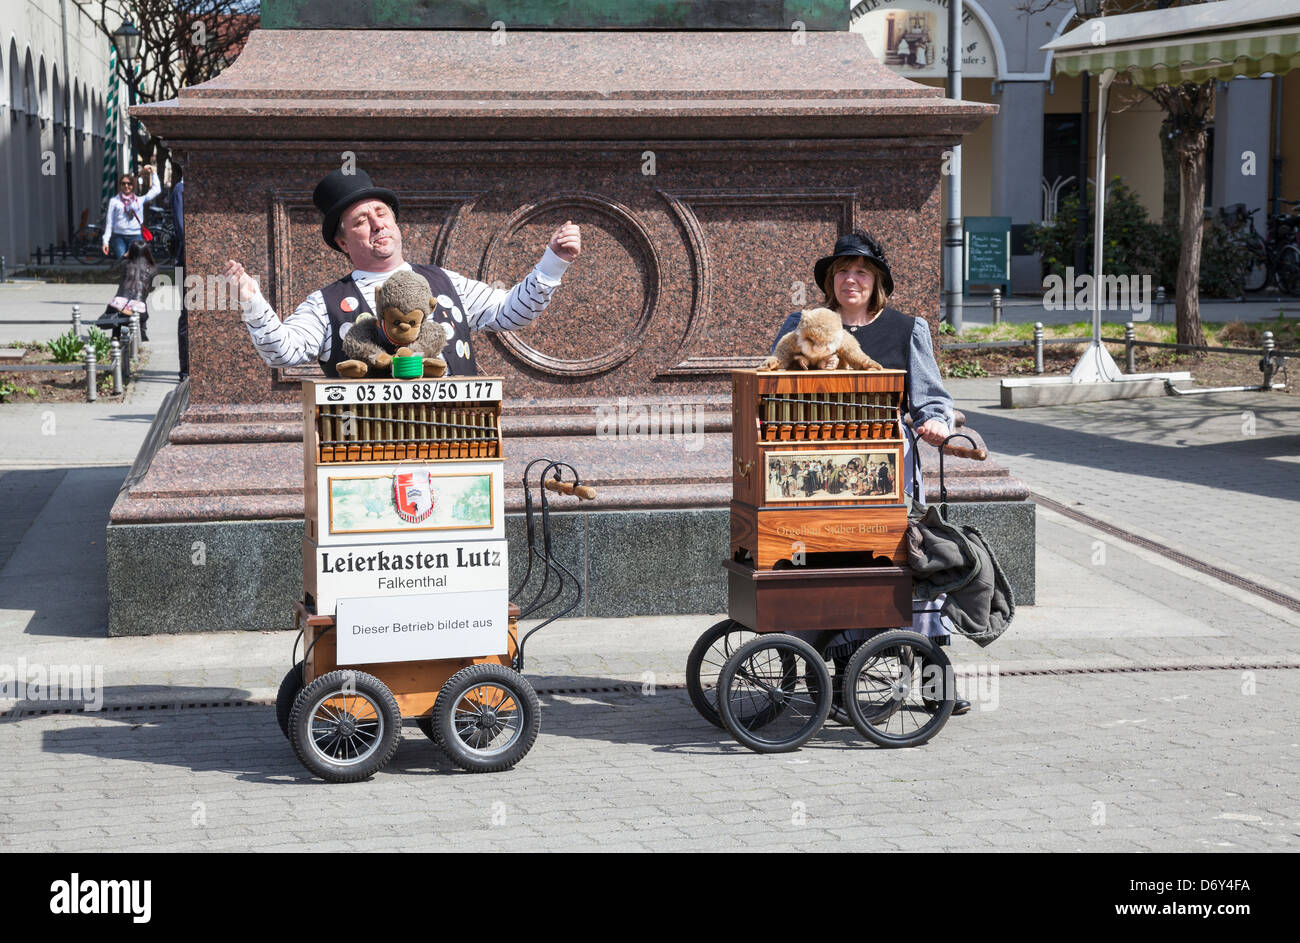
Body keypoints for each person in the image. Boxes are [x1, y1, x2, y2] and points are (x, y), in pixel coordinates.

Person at [770, 229, 969, 714]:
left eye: (860, 271)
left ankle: (933, 678)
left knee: (908, 568)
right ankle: (836, 683)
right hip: (816, 471)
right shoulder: (804, 324)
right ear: (830, 280)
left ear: (876, 280)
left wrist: (936, 425)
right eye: (842, 271)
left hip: (887, 472)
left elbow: (930, 399)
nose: (850, 280)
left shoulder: (906, 328)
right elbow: (773, 384)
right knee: (834, 568)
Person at [222, 168, 580, 377]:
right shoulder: (324, 304)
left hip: (458, 450)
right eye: (361, 221)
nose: (377, 223)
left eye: (382, 213)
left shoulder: (445, 282)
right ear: (343, 242)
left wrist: (553, 261)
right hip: (372, 460)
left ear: (395, 222)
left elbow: (511, 313)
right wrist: (252, 302)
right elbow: (282, 352)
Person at [98, 241, 157, 342]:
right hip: (139, 313)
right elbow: (152, 288)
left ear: (131, 252)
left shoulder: (125, 264)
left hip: (117, 310)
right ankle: (142, 333)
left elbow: (110, 273)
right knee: (141, 303)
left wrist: (123, 257)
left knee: (118, 304)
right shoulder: (152, 269)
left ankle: (115, 335)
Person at [102, 165, 161, 259]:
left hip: (136, 236)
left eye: (129, 184)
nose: (126, 186)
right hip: (119, 237)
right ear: (120, 185)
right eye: (123, 183)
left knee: (135, 263)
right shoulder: (114, 201)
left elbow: (156, 190)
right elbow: (109, 223)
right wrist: (105, 241)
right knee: (123, 263)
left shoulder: (139, 200)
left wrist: (153, 173)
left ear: (133, 186)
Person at [172, 176, 189, 380]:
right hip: (186, 261)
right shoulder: (180, 189)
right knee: (186, 317)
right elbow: (181, 227)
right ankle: (185, 370)